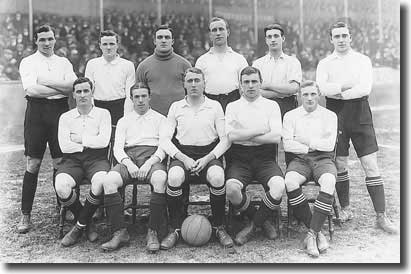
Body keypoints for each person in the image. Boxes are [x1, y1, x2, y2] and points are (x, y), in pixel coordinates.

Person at [316, 21, 397, 233]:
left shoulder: (362, 60)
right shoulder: (325, 63)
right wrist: (346, 86)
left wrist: (339, 91)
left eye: (344, 35)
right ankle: (346, 209)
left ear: (351, 38)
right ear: (331, 39)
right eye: (337, 36)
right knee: (340, 163)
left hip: (360, 112)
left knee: (370, 164)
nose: (341, 39)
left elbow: (365, 88)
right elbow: (323, 89)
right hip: (335, 114)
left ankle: (381, 216)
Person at [160, 67, 233, 250]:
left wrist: (208, 158)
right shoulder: (176, 106)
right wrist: (183, 158)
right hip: (183, 154)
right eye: (190, 81)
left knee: (217, 176)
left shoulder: (215, 106)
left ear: (204, 83)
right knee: (174, 177)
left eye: (197, 80)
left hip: (208, 155)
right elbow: (164, 139)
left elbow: (225, 140)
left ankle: (218, 226)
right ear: (184, 84)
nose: (193, 84)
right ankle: (175, 228)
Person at [17, 24, 77, 233]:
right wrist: (58, 86)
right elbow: (32, 89)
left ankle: (64, 206)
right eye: (42, 39)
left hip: (60, 112)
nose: (47, 43)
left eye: (50, 39)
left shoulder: (63, 61)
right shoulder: (28, 62)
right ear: (35, 40)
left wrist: (46, 82)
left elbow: (72, 87)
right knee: (33, 163)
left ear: (55, 39)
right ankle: (26, 214)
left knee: (60, 162)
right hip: (36, 113)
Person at [101, 82, 168, 253]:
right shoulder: (124, 121)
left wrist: (149, 162)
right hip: (128, 158)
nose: (140, 100)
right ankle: (120, 232)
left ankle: (152, 231)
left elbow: (163, 146)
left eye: (143, 96)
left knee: (160, 179)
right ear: (131, 99)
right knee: (109, 181)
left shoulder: (160, 119)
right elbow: (117, 148)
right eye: (136, 97)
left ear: (149, 97)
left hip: (151, 158)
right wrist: (128, 163)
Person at [225, 66, 285, 245]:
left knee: (278, 186)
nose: (250, 86)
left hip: (264, 158)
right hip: (239, 159)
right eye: (246, 82)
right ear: (240, 85)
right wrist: (259, 130)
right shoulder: (232, 106)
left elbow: (275, 137)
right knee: (231, 189)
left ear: (260, 83)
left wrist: (245, 134)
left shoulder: (271, 105)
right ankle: (263, 221)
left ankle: (252, 227)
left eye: (254, 82)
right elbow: (232, 136)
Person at [283, 80, 337, 257]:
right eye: (305, 94)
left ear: (319, 95)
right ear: (299, 96)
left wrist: (305, 140)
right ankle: (317, 232)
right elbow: (288, 145)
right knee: (290, 181)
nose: (309, 98)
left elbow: (329, 146)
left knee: (328, 181)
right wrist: (309, 147)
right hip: (300, 159)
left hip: (323, 158)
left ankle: (311, 234)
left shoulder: (330, 116)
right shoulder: (290, 116)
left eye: (313, 94)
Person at [55, 77, 112, 247]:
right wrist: (87, 143)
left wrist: (79, 139)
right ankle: (87, 223)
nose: (82, 95)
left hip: (97, 159)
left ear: (92, 92)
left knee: (101, 181)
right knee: (61, 186)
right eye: (78, 91)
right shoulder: (66, 117)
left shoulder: (103, 114)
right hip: (72, 160)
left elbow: (104, 142)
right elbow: (64, 147)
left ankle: (78, 227)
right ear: (73, 95)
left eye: (86, 90)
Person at [136, 25, 191, 116]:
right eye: (160, 37)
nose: (163, 40)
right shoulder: (143, 66)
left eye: (167, 37)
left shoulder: (185, 65)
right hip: (152, 119)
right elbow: (139, 95)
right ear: (154, 41)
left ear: (172, 41)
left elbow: (191, 93)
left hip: (180, 116)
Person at [195, 17, 248, 112]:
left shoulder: (240, 59)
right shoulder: (201, 61)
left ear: (228, 32)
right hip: (209, 106)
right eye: (214, 30)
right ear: (210, 35)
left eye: (221, 29)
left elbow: (245, 87)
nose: (218, 33)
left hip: (234, 104)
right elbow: (198, 89)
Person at [85, 30, 135, 125]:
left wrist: (126, 117)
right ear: (100, 45)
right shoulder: (92, 64)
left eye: (112, 44)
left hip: (120, 108)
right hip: (98, 107)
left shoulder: (128, 65)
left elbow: (130, 95)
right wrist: (92, 113)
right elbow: (88, 92)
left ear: (117, 45)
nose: (108, 47)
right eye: (105, 44)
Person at [252, 23, 302, 119]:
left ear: (283, 38)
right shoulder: (258, 64)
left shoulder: (293, 62)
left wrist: (267, 85)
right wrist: (282, 93)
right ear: (266, 40)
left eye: (276, 36)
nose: (273, 40)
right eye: (269, 37)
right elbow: (255, 91)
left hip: (288, 107)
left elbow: (293, 88)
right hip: (264, 107)